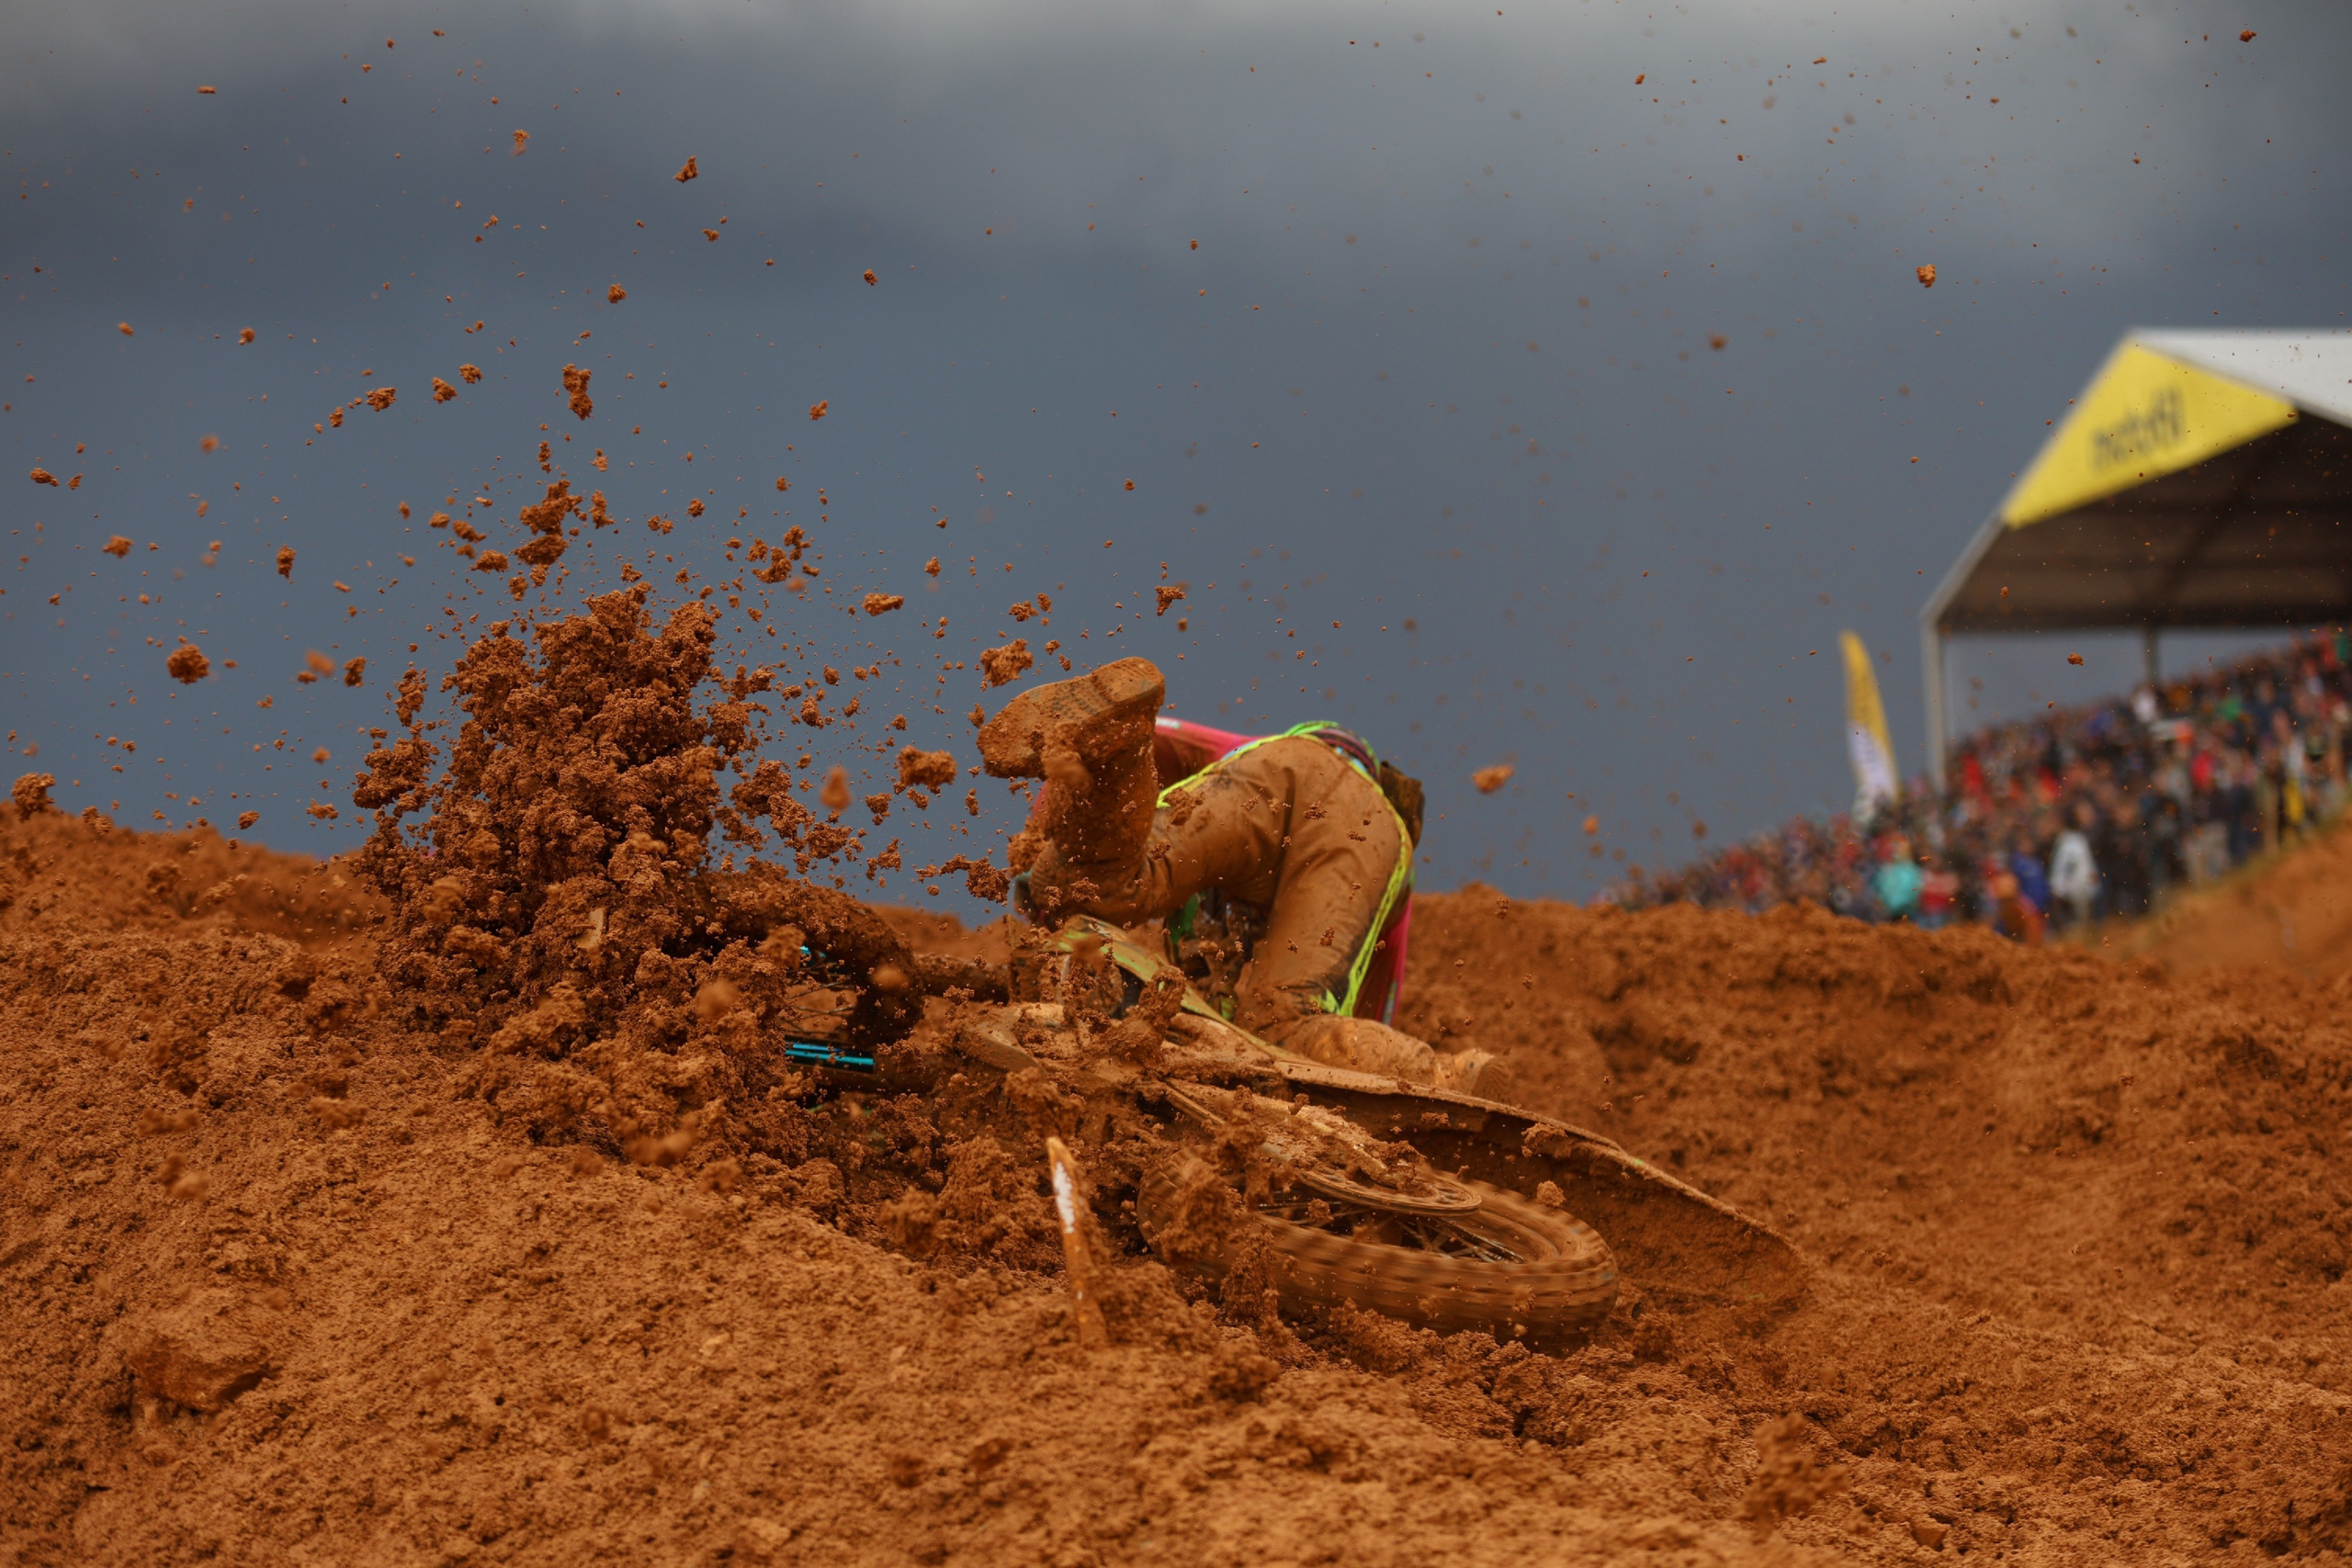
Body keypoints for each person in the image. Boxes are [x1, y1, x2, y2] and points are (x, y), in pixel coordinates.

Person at [979, 657, 1510, 1099]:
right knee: (1283, 1022)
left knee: (1123, 882)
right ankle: (1448, 1076)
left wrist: (1053, 845)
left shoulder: (1261, 748)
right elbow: (1376, 1002)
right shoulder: (1392, 863)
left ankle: (1117, 764)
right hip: (1363, 831)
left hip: (1273, 769)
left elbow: (1159, 735)